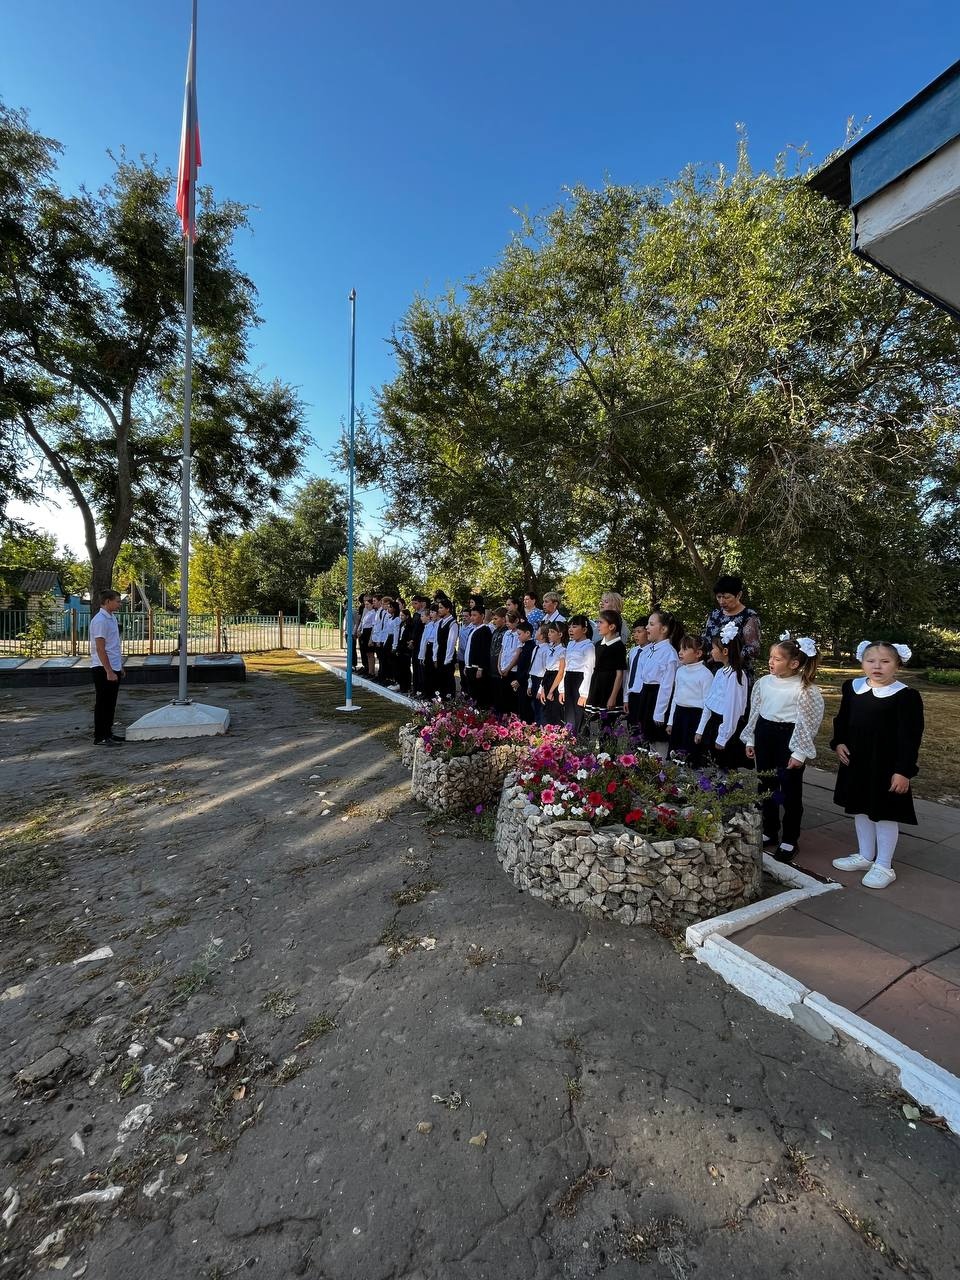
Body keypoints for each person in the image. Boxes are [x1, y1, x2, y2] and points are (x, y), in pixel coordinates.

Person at [830, 641, 925, 889]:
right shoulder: (852, 687)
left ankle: (884, 864)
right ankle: (865, 855)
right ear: (862, 662)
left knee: (883, 814)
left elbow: (910, 737)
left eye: (885, 661)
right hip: (857, 761)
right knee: (861, 808)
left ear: (898, 665)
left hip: (886, 766)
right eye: (871, 660)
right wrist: (838, 742)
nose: (877, 666)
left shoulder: (906, 696)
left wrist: (903, 771)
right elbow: (842, 719)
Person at [741, 633, 825, 863]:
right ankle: (769, 829)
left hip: (789, 738)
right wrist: (751, 740)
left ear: (794, 663)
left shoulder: (805, 689)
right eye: (771, 657)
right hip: (765, 734)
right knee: (765, 784)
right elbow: (755, 711)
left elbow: (809, 723)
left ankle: (790, 837)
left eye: (777, 659)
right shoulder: (763, 683)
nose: (771, 662)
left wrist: (799, 753)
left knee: (788, 788)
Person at [695, 622, 750, 769]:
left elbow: (732, 709)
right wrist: (701, 729)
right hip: (714, 724)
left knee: (724, 768)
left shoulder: (736, 676)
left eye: (713, 648)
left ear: (725, 651)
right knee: (710, 766)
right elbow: (709, 701)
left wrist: (723, 737)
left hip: (725, 728)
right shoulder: (720, 672)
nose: (711, 652)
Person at [635, 608, 682, 753]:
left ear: (663, 629)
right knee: (647, 740)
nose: (647, 627)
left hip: (658, 699)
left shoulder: (669, 654)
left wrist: (659, 713)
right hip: (646, 696)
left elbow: (667, 686)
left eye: (651, 624)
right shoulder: (650, 650)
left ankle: (660, 771)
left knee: (658, 740)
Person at [703, 574, 761, 678]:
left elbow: (753, 649)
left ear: (738, 595)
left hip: (737, 673)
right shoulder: (715, 615)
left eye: (726, 597)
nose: (722, 601)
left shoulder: (749, 617)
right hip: (713, 672)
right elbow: (705, 639)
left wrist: (726, 656)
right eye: (719, 597)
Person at [666, 635, 713, 764]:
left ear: (698, 653)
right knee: (675, 757)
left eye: (685, 649)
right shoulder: (680, 671)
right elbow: (675, 697)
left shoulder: (706, 675)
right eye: (680, 648)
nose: (680, 652)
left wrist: (700, 730)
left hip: (694, 720)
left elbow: (707, 705)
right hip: (679, 717)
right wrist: (671, 722)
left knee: (691, 760)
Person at [89, 589, 125, 746]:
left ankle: (108, 733)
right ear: (107, 601)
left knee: (111, 703)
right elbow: (100, 648)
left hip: (113, 666)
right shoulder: (100, 620)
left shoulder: (111, 618)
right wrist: (108, 670)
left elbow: (113, 646)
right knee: (103, 703)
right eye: (117, 601)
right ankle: (100, 736)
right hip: (102, 668)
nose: (119, 604)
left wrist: (119, 667)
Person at [587, 609, 628, 731]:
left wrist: (613, 696)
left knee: (608, 724)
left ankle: (608, 749)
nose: (598, 626)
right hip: (598, 687)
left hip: (609, 689)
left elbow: (619, 674)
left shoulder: (618, 646)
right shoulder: (598, 644)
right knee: (597, 721)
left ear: (611, 626)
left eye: (601, 622)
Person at [559, 614, 596, 738]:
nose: (570, 630)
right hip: (569, 679)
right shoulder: (570, 644)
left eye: (574, 627)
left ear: (584, 629)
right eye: (569, 627)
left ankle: (581, 743)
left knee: (579, 714)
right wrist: (562, 689)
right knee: (569, 714)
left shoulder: (589, 646)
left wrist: (584, 693)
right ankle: (569, 740)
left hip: (580, 681)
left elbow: (589, 670)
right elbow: (566, 667)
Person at [538, 620, 568, 725]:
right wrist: (542, 688)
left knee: (555, 712)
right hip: (547, 678)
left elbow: (560, 672)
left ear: (560, 634)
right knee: (546, 711)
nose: (549, 634)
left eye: (552, 632)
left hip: (555, 681)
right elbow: (546, 669)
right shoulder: (550, 648)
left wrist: (551, 691)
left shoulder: (563, 650)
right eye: (549, 631)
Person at [462, 605, 491, 706]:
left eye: (475, 615)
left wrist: (481, 668)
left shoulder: (484, 631)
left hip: (477, 668)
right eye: (471, 615)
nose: (472, 617)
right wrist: (466, 665)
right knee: (471, 693)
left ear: (482, 616)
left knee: (479, 693)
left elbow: (484, 651)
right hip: (470, 667)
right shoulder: (473, 630)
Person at [624, 616, 650, 729]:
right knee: (632, 729)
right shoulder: (633, 651)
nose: (636, 635)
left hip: (643, 694)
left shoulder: (652, 651)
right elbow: (628, 675)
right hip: (632, 695)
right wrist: (626, 698)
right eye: (634, 632)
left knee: (641, 728)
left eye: (639, 631)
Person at [496, 609, 523, 715]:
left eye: (509, 621)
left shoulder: (519, 634)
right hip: (502, 668)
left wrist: (508, 668)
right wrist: (499, 665)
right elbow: (502, 650)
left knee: (512, 696)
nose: (507, 623)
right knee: (503, 695)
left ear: (516, 621)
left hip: (512, 669)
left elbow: (517, 653)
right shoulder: (506, 633)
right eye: (506, 621)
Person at [434, 596, 459, 700]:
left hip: (447, 656)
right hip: (440, 654)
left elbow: (451, 642)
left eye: (441, 608)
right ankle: (441, 700)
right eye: (439, 608)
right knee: (440, 680)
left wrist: (447, 659)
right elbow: (436, 641)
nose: (439, 610)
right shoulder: (439, 622)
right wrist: (435, 657)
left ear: (448, 609)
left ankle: (449, 701)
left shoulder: (452, 623)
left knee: (448, 680)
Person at [511, 620, 537, 721]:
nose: (518, 637)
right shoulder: (525, 646)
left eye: (519, 634)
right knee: (521, 708)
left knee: (526, 709)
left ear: (528, 633)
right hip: (521, 682)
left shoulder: (531, 648)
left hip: (526, 682)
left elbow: (528, 668)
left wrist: (520, 680)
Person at [527, 622, 552, 726]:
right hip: (533, 679)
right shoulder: (536, 648)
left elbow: (545, 669)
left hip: (540, 680)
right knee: (534, 707)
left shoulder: (546, 650)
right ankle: (537, 727)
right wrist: (529, 684)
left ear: (542, 636)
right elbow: (531, 667)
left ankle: (542, 729)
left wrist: (540, 689)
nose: (535, 632)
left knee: (541, 708)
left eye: (537, 631)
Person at [418, 602, 440, 698]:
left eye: (432, 612)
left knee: (432, 674)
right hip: (428, 648)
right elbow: (424, 641)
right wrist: (422, 655)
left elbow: (434, 640)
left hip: (433, 648)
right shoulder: (430, 625)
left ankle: (431, 694)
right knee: (426, 673)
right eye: (430, 612)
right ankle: (426, 693)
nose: (431, 614)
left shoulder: (436, 625)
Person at [359, 594, 377, 676]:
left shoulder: (373, 613)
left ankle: (372, 671)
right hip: (365, 632)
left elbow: (373, 625)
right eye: (365, 604)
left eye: (368, 604)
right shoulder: (367, 612)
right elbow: (363, 623)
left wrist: (371, 638)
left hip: (369, 632)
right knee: (367, 653)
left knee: (370, 653)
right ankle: (369, 671)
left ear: (372, 605)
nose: (366, 606)